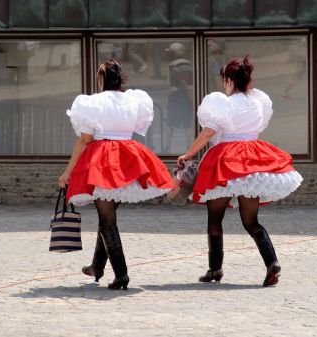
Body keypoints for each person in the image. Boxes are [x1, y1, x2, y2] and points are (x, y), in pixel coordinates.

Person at [177, 57, 303, 287]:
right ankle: (271, 262)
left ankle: (215, 269)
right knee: (251, 221)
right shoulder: (258, 103)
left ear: (229, 80)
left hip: (225, 160)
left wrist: (188, 154)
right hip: (252, 158)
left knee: (215, 219)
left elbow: (208, 133)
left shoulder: (223, 103)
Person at [58, 59, 174, 290]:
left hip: (103, 161)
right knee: (106, 218)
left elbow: (84, 139)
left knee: (107, 220)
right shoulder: (134, 101)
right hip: (128, 158)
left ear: (102, 79)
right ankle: (97, 267)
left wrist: (67, 173)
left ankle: (121, 274)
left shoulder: (93, 103)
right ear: (121, 79)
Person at [164, 42, 194, 153]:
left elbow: (181, 79)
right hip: (186, 96)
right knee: (187, 124)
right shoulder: (188, 64)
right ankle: (189, 147)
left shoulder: (174, 65)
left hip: (177, 96)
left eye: (171, 52)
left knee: (170, 123)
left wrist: (187, 91)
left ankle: (167, 148)